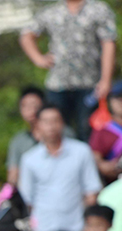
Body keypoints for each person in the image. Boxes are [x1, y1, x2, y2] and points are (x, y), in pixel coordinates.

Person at [19, 105, 102, 231]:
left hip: (76, 227)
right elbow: (27, 201)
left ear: (62, 123)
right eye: (46, 122)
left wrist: (89, 227)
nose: (51, 126)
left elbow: (91, 192)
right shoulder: (29, 159)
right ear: (38, 125)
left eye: (55, 121)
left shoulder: (82, 152)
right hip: (42, 228)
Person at [20, 0, 117, 141]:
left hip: (90, 84)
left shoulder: (98, 9)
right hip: (58, 84)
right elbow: (26, 35)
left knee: (87, 129)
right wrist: (38, 58)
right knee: (57, 129)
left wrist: (106, 80)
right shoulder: (51, 11)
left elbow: (108, 43)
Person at [7, 86, 49, 187]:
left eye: (35, 105)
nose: (31, 110)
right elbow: (13, 176)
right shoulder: (18, 141)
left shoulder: (61, 133)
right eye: (25, 106)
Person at [89, 82, 122, 182]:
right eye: (118, 98)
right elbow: (95, 159)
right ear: (109, 102)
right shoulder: (102, 131)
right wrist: (104, 166)